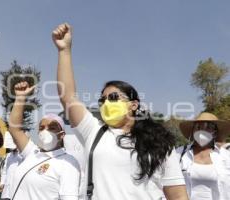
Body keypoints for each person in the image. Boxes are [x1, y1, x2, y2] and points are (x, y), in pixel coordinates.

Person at [52, 23, 188, 200]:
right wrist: (64, 51)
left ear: (133, 105)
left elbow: (177, 195)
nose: (106, 103)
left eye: (114, 97)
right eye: (102, 99)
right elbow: (68, 97)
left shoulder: (160, 143)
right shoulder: (94, 132)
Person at [8, 81, 81, 200]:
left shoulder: (68, 163)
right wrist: (20, 98)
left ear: (61, 135)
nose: (45, 131)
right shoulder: (32, 152)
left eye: (51, 128)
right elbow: (14, 129)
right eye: (41, 128)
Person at [176, 112, 230, 200]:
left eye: (208, 127)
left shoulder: (226, 157)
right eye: (198, 127)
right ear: (192, 131)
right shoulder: (179, 154)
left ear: (215, 132)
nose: (202, 131)